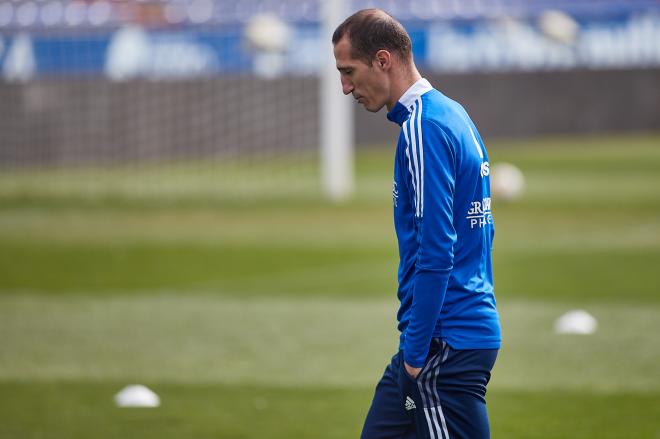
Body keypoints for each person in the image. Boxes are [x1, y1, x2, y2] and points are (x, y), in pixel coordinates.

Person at [332, 9, 501, 439]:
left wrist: (416, 352)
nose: (345, 87)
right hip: (452, 334)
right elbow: (484, 232)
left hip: (441, 345)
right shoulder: (453, 113)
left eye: (349, 71)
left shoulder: (422, 129)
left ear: (383, 60)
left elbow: (436, 248)